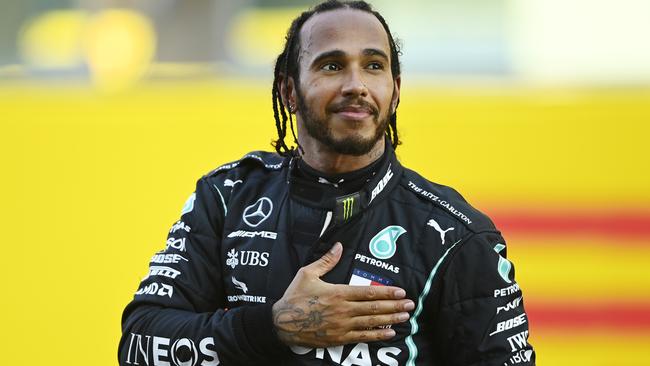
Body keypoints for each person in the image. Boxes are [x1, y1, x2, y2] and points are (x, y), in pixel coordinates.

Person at [118, 1, 536, 365]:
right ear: (289, 91)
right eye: (332, 65)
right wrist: (275, 327)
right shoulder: (227, 198)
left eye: (374, 66)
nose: (356, 86)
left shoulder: (458, 236)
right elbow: (138, 343)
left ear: (395, 91)